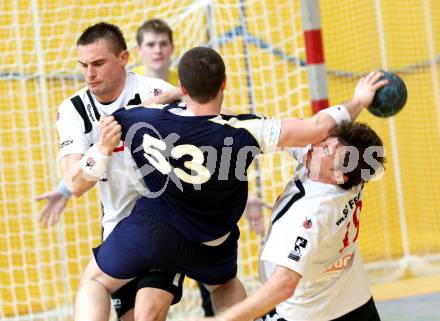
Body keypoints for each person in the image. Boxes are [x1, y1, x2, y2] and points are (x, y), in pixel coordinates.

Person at [72, 46, 387, 321]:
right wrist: (359, 100)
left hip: (155, 230)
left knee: (95, 282)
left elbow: (78, 181)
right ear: (224, 83)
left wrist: (99, 149)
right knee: (223, 286)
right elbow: (318, 127)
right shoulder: (245, 132)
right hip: (213, 242)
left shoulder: (137, 118)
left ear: (182, 86)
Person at [51, 22, 184, 321]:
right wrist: (101, 149)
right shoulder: (73, 110)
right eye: (83, 65)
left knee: (148, 314)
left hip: (166, 222)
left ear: (123, 58)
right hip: (118, 226)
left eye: (98, 63)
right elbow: (74, 183)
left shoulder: (157, 91)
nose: (89, 74)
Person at [190, 121, 385, 321]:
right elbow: (256, 125)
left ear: (338, 176)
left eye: (325, 149)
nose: (316, 145)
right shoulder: (353, 173)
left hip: (308, 314)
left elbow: (284, 285)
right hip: (355, 301)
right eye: (325, 140)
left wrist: (222, 320)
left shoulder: (311, 215)